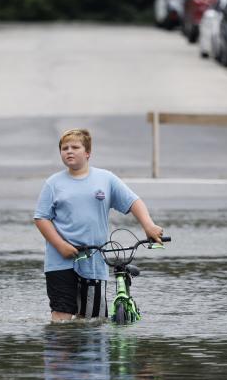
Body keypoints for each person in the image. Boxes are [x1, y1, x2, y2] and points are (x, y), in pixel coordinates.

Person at [34, 128, 164, 322]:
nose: (69, 151)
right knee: (61, 317)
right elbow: (41, 218)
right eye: (64, 148)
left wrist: (149, 226)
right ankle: (61, 349)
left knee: (91, 319)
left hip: (94, 260)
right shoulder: (53, 183)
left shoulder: (106, 179)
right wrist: (60, 246)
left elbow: (133, 202)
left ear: (87, 153)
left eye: (75, 147)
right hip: (60, 261)